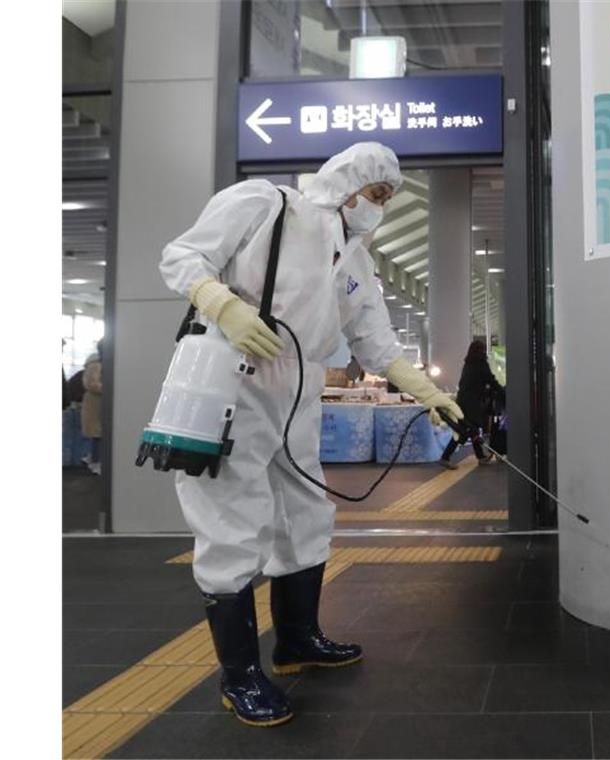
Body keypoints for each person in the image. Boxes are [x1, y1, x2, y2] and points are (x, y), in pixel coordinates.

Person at [159, 142, 463, 727]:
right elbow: (181, 257)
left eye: (386, 200)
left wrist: (430, 395)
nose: (378, 207)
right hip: (231, 381)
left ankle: (297, 639)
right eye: (375, 193)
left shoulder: (357, 260)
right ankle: (239, 676)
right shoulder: (264, 204)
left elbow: (376, 342)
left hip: (298, 393)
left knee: (305, 513)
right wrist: (224, 305)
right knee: (231, 523)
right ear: (347, 181)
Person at [439, 339, 504, 469]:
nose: (485, 352)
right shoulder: (480, 363)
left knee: (470, 429)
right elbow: (490, 379)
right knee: (465, 431)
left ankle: (480, 457)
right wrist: (502, 391)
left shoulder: (468, 363)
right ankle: (445, 457)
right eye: (483, 349)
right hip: (472, 402)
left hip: (463, 400)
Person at [81, 340, 104, 475]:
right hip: (94, 404)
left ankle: (94, 460)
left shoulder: (101, 364)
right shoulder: (95, 365)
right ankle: (95, 462)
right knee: (97, 435)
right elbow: (92, 384)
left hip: (99, 403)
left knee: (99, 435)